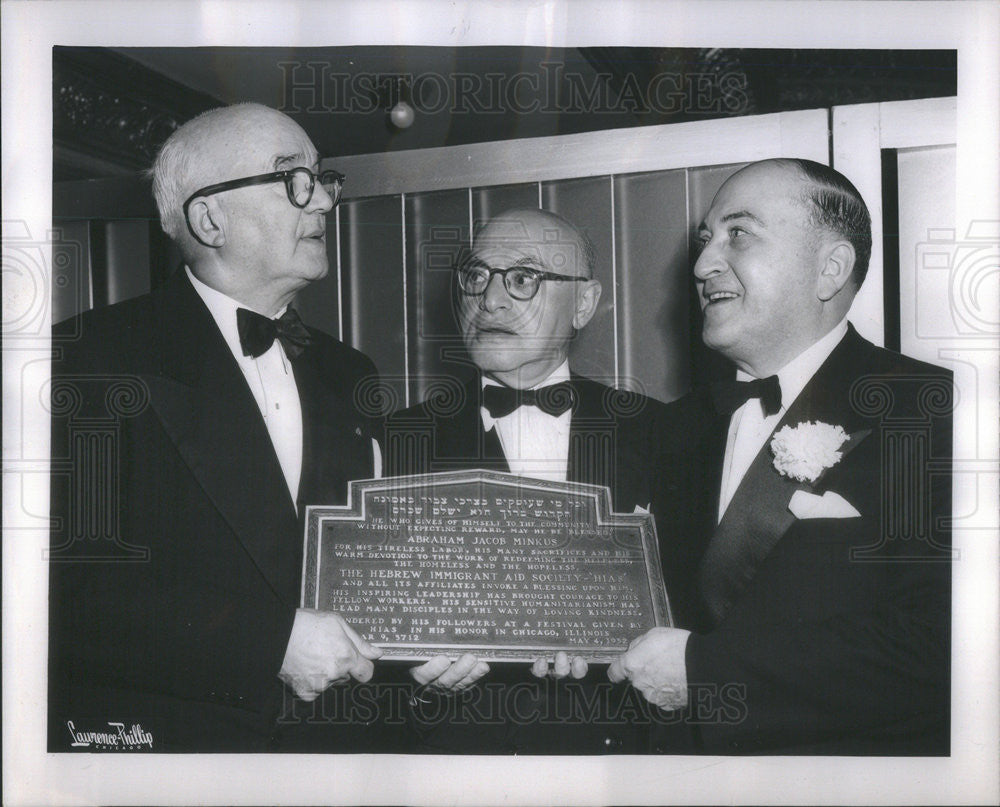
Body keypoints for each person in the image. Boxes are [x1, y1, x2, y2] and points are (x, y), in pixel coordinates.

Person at [47, 103, 471, 752]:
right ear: (209, 217)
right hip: (174, 757)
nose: (324, 203)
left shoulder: (347, 369)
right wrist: (269, 642)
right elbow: (61, 594)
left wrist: (419, 647)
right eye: (292, 179)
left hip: (338, 756)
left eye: (323, 179)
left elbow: (356, 568)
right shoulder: (86, 356)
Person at [610, 158, 953, 755]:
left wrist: (708, 672)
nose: (702, 264)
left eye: (738, 233)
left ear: (830, 269)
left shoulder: (937, 412)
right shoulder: (672, 427)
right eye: (706, 239)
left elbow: (949, 644)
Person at [385, 208, 673, 753]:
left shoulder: (660, 432)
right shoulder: (397, 441)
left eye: (523, 279)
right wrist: (422, 691)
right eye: (475, 277)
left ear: (584, 303)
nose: (489, 301)